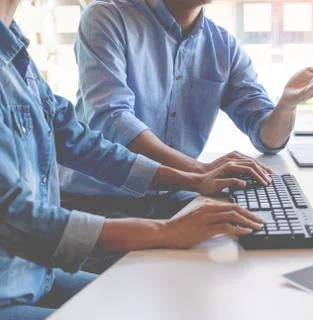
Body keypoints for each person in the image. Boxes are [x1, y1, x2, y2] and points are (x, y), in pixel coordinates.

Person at [0, 1, 265, 318]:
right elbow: (12, 219)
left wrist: (193, 179)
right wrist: (164, 231)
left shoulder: (15, 55)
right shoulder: (106, 17)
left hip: (34, 274)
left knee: (150, 303)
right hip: (8, 287)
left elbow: (81, 142)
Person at [60, 0, 313, 232]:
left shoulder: (222, 45)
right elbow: (112, 119)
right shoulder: (107, 17)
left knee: (252, 242)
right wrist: (197, 171)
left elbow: (267, 138)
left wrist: (287, 106)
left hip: (172, 196)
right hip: (99, 203)